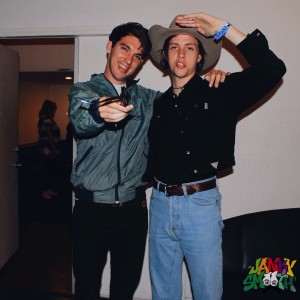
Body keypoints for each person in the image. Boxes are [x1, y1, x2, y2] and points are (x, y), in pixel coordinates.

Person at [68, 21, 227, 300]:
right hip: (90, 212)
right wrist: (99, 112)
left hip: (133, 212)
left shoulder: (149, 100)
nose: (128, 59)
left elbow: (182, 96)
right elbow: (82, 119)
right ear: (109, 47)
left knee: (124, 289)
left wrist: (212, 78)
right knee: (86, 289)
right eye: (124, 48)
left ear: (142, 62)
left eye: (138, 55)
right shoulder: (83, 92)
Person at [144, 12, 286, 300]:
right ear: (165, 56)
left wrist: (224, 28)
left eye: (190, 47)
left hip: (199, 206)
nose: (181, 53)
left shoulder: (220, 90)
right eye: (174, 47)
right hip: (158, 205)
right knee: (163, 293)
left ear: (200, 57)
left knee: (207, 293)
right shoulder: (158, 104)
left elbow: (273, 69)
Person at [37, 99, 61, 200]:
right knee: (47, 169)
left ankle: (47, 189)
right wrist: (54, 148)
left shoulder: (44, 118)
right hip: (48, 148)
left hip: (46, 147)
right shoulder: (46, 119)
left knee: (49, 169)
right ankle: (44, 191)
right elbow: (49, 134)